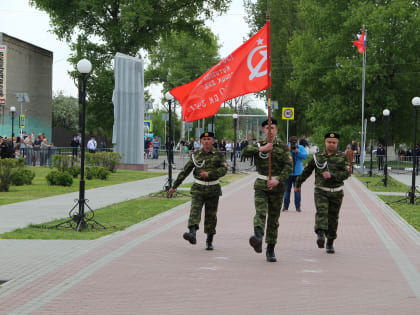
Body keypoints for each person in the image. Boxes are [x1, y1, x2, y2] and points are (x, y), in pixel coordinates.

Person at [241, 119, 292, 262]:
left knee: (273, 220)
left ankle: (270, 249)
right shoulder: (258, 145)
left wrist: (278, 180)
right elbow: (244, 152)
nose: (270, 130)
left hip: (277, 186)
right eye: (267, 128)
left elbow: (288, 167)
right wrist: (261, 149)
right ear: (263, 130)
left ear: (276, 130)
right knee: (261, 212)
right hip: (261, 185)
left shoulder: (283, 147)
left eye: (273, 128)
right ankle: (257, 237)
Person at [168, 132, 227, 250]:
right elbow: (185, 171)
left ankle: (209, 240)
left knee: (211, 216)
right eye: (204, 139)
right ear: (201, 141)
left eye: (209, 139)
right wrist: (174, 186)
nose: (206, 141)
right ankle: (192, 234)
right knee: (194, 211)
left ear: (213, 140)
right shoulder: (196, 155)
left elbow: (223, 170)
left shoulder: (219, 154)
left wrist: (210, 174)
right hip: (198, 188)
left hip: (213, 189)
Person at [295, 133, 351, 254]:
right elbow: (307, 171)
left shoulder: (342, 157)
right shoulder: (317, 156)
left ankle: (330, 242)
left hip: (336, 192)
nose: (331, 144)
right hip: (321, 190)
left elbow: (347, 174)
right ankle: (320, 234)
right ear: (325, 142)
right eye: (329, 142)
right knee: (322, 212)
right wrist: (298, 184)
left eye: (334, 142)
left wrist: (333, 175)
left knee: (333, 217)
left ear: (337, 143)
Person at [282, 136, 308, 212]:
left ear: (297, 142)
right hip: (288, 173)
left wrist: (297, 151)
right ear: (289, 143)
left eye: (295, 143)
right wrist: (288, 151)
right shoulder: (286, 148)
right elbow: (282, 157)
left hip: (298, 173)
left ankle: (298, 207)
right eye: (291, 143)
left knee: (297, 190)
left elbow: (305, 157)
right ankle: (285, 207)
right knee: (287, 191)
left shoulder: (301, 147)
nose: (293, 145)